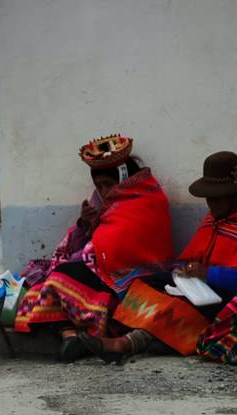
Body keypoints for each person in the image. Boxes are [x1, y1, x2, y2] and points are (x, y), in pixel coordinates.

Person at [82, 151, 237, 367]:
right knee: (150, 284)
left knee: (184, 306)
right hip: (203, 290)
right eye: (209, 198)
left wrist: (207, 275)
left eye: (217, 198)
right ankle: (140, 336)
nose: (211, 204)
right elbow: (190, 256)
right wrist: (184, 272)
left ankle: (127, 344)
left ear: (235, 195)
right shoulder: (213, 221)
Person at [14, 135, 173, 361]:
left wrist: (81, 256)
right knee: (37, 291)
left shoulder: (146, 202)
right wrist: (84, 225)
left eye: (109, 184)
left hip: (129, 281)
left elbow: (113, 250)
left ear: (124, 178)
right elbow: (86, 248)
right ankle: (69, 336)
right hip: (100, 272)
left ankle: (74, 335)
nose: (105, 191)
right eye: (99, 186)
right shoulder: (102, 205)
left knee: (58, 280)